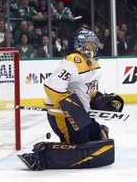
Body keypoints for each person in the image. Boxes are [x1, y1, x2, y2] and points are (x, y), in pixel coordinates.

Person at [18, 29, 124, 170]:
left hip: (81, 116)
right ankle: (38, 156)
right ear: (83, 45)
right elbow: (52, 85)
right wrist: (73, 108)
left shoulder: (94, 64)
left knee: (97, 135)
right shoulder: (73, 61)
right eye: (92, 44)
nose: (95, 47)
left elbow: (87, 90)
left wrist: (98, 100)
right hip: (63, 116)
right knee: (80, 147)